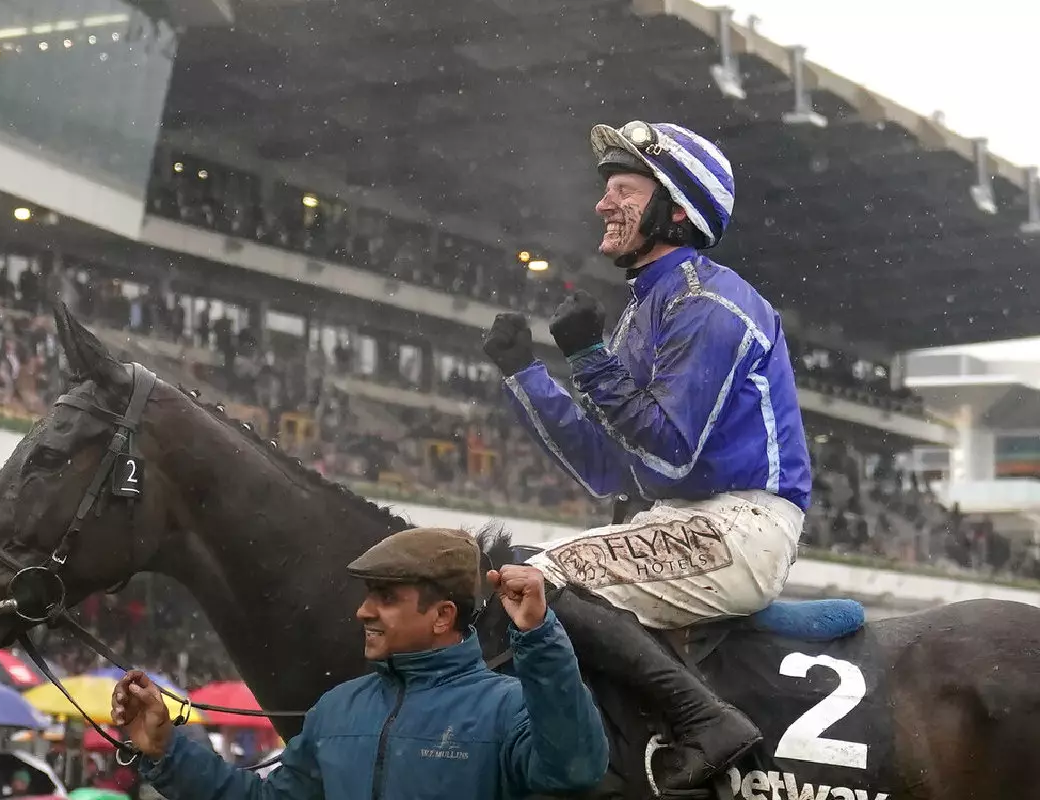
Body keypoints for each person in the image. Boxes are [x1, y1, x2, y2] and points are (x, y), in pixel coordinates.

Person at [482, 120, 812, 796]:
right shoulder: (649, 306)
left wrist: (588, 359)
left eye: (624, 191)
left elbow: (670, 455)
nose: (603, 203)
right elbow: (608, 468)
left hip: (741, 526)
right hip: (685, 518)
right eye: (607, 189)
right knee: (522, 571)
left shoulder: (711, 302)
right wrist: (525, 374)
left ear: (677, 210)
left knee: (538, 579)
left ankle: (707, 722)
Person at [111, 527, 610, 799]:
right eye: (369, 594)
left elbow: (576, 770)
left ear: (442, 616)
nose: (363, 611)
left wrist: (539, 635)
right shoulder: (337, 708)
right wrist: (166, 750)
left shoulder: (507, 708)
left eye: (385, 598)